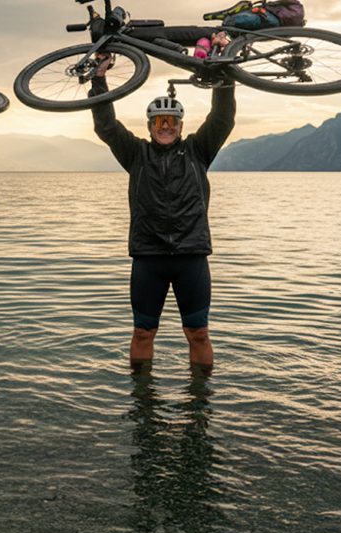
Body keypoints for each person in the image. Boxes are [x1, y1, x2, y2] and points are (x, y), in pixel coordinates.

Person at [90, 54, 235, 372]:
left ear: (181, 126)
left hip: (191, 256)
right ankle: (143, 403)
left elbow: (222, 118)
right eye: (159, 122)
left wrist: (224, 71)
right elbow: (106, 126)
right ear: (150, 126)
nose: (165, 127)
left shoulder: (199, 150)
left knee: (198, 334)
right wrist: (99, 77)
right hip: (148, 257)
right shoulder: (136, 154)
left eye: (171, 122)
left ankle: (200, 404)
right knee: (143, 332)